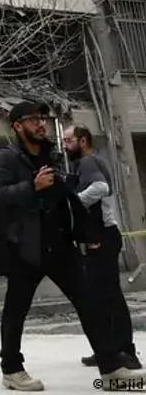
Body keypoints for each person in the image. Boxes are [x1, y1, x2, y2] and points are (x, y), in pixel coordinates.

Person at [0, 101, 139, 391]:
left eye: (42, 118)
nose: (40, 124)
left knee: (90, 302)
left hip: (60, 244)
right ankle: (12, 369)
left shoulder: (51, 155)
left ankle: (110, 368)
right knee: (16, 309)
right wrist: (32, 187)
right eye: (33, 119)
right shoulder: (6, 158)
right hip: (26, 248)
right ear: (17, 126)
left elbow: (64, 202)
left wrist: (83, 231)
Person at [63, 124, 140, 370]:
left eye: (68, 141)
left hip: (103, 237)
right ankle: (108, 349)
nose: (65, 146)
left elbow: (100, 188)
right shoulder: (88, 162)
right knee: (98, 297)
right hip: (99, 237)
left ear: (83, 141)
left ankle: (126, 351)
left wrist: (74, 203)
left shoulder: (88, 162)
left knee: (110, 296)